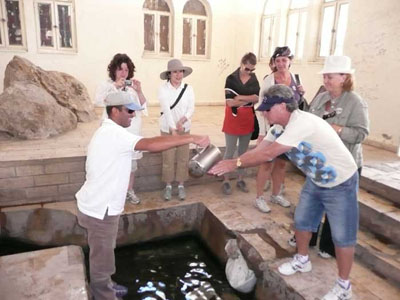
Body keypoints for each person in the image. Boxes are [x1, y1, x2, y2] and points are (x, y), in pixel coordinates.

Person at [209, 84, 359, 300]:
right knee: (302, 221)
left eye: (268, 109)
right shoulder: (277, 127)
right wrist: (234, 160)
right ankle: (302, 260)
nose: (264, 112)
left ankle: (344, 286)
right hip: (316, 180)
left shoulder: (301, 123)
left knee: (342, 236)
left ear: (282, 106)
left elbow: (270, 153)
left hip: (341, 181)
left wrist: (236, 163)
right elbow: (261, 150)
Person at [76, 91, 209, 300]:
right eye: (129, 111)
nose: (133, 115)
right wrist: (191, 138)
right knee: (101, 258)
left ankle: (106, 286)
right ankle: (103, 294)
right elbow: (151, 144)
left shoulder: (110, 131)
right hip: (100, 209)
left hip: (102, 207)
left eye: (135, 111)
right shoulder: (113, 134)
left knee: (105, 252)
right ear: (114, 110)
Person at [288, 55, 369, 259]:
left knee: (338, 209)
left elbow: (361, 134)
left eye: (330, 76)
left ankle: (329, 245)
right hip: (320, 163)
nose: (325, 80)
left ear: (344, 77)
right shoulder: (321, 98)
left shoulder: (355, 102)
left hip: (344, 165)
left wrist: (338, 129)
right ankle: (308, 237)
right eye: (324, 76)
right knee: (313, 203)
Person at [255, 46, 305, 213]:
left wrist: (302, 94)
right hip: (273, 128)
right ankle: (259, 197)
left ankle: (276, 194)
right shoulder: (269, 80)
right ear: (274, 63)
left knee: (282, 164)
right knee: (266, 163)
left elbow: (296, 105)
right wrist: (262, 134)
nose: (281, 63)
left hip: (290, 129)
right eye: (277, 61)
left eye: (284, 60)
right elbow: (261, 108)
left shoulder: (296, 78)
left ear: (290, 61)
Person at [95, 53, 147, 205]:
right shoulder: (106, 85)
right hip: (112, 133)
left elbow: (143, 106)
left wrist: (138, 91)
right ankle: (113, 193)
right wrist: (113, 87)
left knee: (131, 165)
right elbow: (98, 101)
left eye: (126, 70)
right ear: (114, 70)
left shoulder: (132, 89)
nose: (123, 73)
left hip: (131, 132)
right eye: (120, 69)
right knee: (113, 164)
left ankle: (129, 191)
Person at [221, 52, 260, 195]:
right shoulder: (231, 78)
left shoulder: (254, 79)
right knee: (229, 151)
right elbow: (230, 102)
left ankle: (240, 178)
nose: (249, 72)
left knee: (243, 153)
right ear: (241, 64)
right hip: (232, 119)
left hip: (247, 119)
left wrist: (241, 97)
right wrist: (248, 100)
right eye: (247, 68)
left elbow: (257, 98)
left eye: (252, 69)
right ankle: (225, 180)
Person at [158, 59, 195, 201]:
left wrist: (183, 120)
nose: (178, 75)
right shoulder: (163, 89)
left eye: (180, 71)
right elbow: (166, 110)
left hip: (184, 128)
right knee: (168, 157)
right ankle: (168, 186)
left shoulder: (188, 89)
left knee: (183, 157)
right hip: (168, 129)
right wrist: (173, 128)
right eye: (175, 72)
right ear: (169, 74)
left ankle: (180, 185)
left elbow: (191, 108)